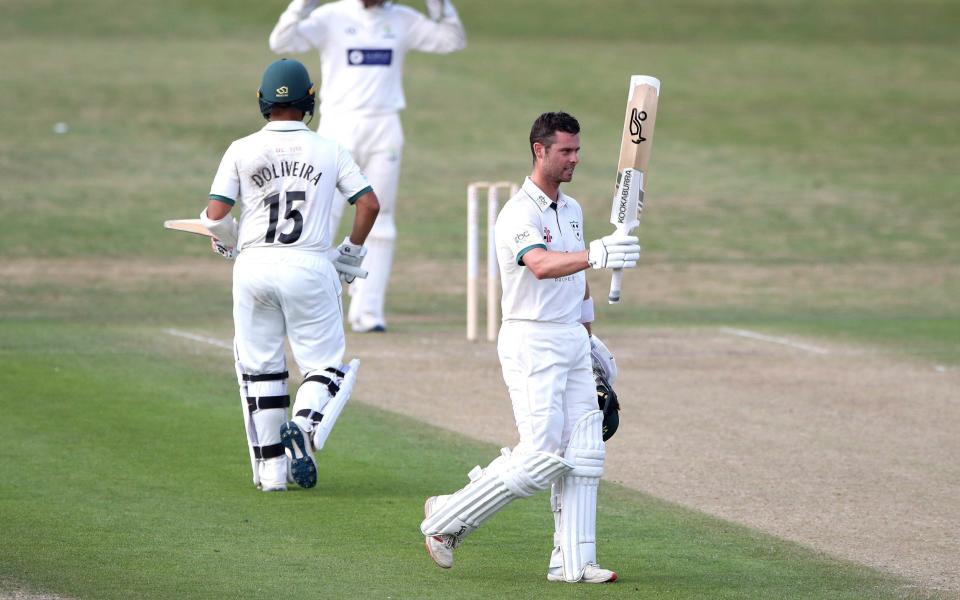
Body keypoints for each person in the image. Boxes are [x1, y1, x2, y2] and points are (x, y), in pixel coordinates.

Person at [419, 112, 641, 583]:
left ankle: (574, 563)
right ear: (539, 150)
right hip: (531, 338)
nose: (574, 159)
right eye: (566, 151)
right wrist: (598, 253)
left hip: (569, 338)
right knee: (540, 455)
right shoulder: (518, 212)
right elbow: (540, 265)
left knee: (585, 451)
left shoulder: (574, 210)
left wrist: (590, 337)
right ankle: (445, 518)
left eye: (578, 150)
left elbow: (577, 280)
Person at [201, 58, 380, 492]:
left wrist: (224, 239)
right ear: (309, 101)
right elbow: (369, 203)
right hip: (309, 263)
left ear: (262, 101)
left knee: (261, 369)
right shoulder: (330, 149)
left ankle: (271, 475)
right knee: (325, 366)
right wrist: (351, 252)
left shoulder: (241, 148)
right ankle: (302, 424)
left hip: (253, 265)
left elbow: (215, 215)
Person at [268, 0, 467, 333]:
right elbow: (282, 42)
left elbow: (452, 40)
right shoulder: (331, 15)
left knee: (382, 216)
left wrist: (439, 4)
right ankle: (306, 302)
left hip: (384, 125)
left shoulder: (402, 19)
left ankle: (368, 311)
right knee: (321, 211)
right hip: (337, 125)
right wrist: (303, 4)